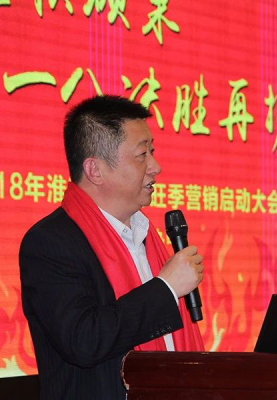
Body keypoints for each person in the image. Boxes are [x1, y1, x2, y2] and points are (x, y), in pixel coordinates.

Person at [19, 95, 205, 399]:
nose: (156, 167)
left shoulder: (148, 236)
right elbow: (83, 340)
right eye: (142, 154)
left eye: (153, 151)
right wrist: (167, 289)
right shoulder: (50, 243)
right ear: (95, 170)